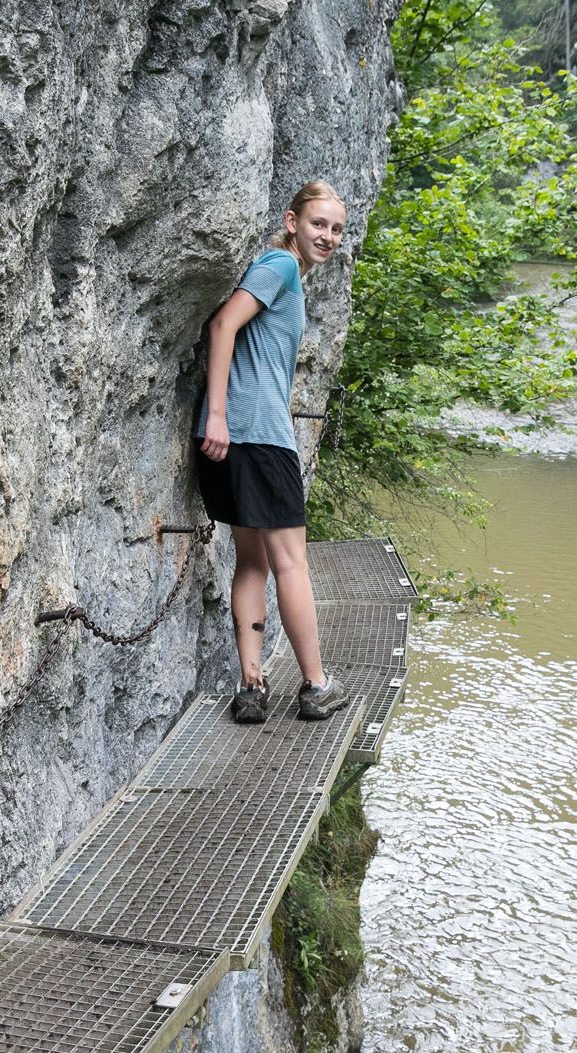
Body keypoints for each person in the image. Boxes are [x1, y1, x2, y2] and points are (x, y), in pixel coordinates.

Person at [195, 181, 349, 724]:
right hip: (257, 438)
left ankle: (251, 685)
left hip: (237, 442)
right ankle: (316, 684)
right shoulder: (279, 266)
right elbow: (223, 325)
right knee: (292, 563)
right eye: (318, 225)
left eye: (336, 229)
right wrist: (218, 415)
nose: (327, 236)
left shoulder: (289, 275)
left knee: (253, 560)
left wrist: (218, 422)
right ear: (292, 221)